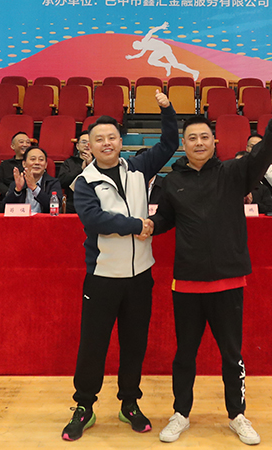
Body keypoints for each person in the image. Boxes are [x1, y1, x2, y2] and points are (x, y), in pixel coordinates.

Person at [151, 96, 272, 446]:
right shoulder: (171, 181)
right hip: (187, 283)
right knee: (185, 354)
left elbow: (264, 153)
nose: (199, 143)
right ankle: (181, 413)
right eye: (192, 138)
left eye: (204, 137)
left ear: (214, 141)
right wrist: (146, 225)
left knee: (232, 354)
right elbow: (164, 219)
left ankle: (237, 414)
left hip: (228, 281)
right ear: (184, 145)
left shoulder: (234, 173)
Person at [61, 90, 178, 442]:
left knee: (134, 343)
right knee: (93, 344)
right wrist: (136, 225)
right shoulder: (84, 182)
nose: (106, 143)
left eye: (112, 137)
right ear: (90, 146)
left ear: (120, 141)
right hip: (102, 278)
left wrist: (167, 109)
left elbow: (170, 144)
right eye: (99, 139)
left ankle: (129, 403)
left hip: (140, 277)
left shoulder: (139, 168)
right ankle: (84, 405)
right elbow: (94, 219)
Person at [124, 21, 199, 81]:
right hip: (160, 50)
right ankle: (167, 65)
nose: (139, 49)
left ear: (139, 44)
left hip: (165, 48)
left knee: (175, 65)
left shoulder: (145, 40)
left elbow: (151, 31)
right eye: (138, 49)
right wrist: (131, 57)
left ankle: (194, 72)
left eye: (138, 48)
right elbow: (140, 55)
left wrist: (161, 27)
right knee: (151, 61)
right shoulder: (144, 47)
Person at [0, 131, 32, 213]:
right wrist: (10, 192)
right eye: (21, 142)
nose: (25, 145)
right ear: (13, 146)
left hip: (26, 199)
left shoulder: (33, 164)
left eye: (28, 142)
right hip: (9, 199)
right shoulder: (5, 164)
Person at [5, 146, 62, 213]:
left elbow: (55, 206)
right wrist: (17, 191)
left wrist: (34, 188)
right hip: (21, 219)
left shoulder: (53, 183)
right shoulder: (18, 182)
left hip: (43, 219)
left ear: (46, 165)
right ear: (24, 164)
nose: (37, 163)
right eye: (33, 159)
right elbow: (4, 208)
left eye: (41, 160)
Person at [57, 133, 92, 214]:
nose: (87, 145)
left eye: (89, 142)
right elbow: (62, 182)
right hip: (73, 201)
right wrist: (81, 170)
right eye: (84, 142)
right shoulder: (69, 162)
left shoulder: (99, 162)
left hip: (93, 201)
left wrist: (91, 166)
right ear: (77, 146)